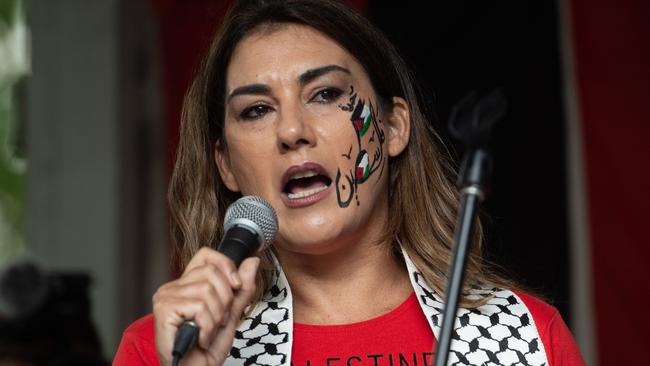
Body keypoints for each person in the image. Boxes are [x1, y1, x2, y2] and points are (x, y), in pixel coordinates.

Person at [114, 0, 586, 365]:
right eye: (256, 110)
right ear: (227, 165)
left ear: (394, 126)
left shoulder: (522, 337)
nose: (292, 130)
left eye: (325, 94)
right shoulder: (160, 347)